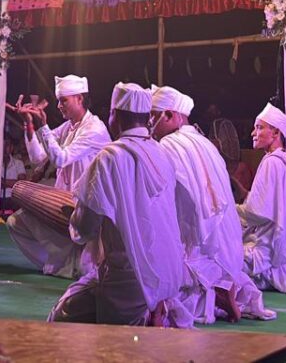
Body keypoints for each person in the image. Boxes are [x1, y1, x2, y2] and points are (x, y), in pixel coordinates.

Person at [48, 83, 192, 327]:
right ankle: (155, 313)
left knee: (62, 316)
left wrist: (73, 219)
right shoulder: (162, 152)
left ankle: (146, 319)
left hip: (130, 276)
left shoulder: (110, 157)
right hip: (170, 273)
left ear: (115, 116)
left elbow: (84, 229)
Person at [149, 86, 275, 324]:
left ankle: (215, 290)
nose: (149, 124)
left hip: (202, 243)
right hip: (229, 247)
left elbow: (173, 201)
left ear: (169, 115)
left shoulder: (169, 145)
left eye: (153, 116)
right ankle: (225, 285)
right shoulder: (204, 142)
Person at [8, 74, 110, 278]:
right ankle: (60, 264)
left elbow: (61, 159)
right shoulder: (68, 127)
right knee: (15, 222)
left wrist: (43, 125)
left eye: (64, 100)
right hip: (64, 202)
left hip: (88, 207)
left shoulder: (94, 129)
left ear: (79, 99)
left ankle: (75, 264)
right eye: (58, 101)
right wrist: (29, 124)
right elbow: (38, 157)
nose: (59, 106)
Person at [238, 103, 286, 294]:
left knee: (217, 261)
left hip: (267, 248)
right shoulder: (280, 161)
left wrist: (232, 210)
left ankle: (271, 274)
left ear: (276, 133)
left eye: (259, 128)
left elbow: (257, 214)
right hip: (278, 246)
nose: (253, 133)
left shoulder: (272, 163)